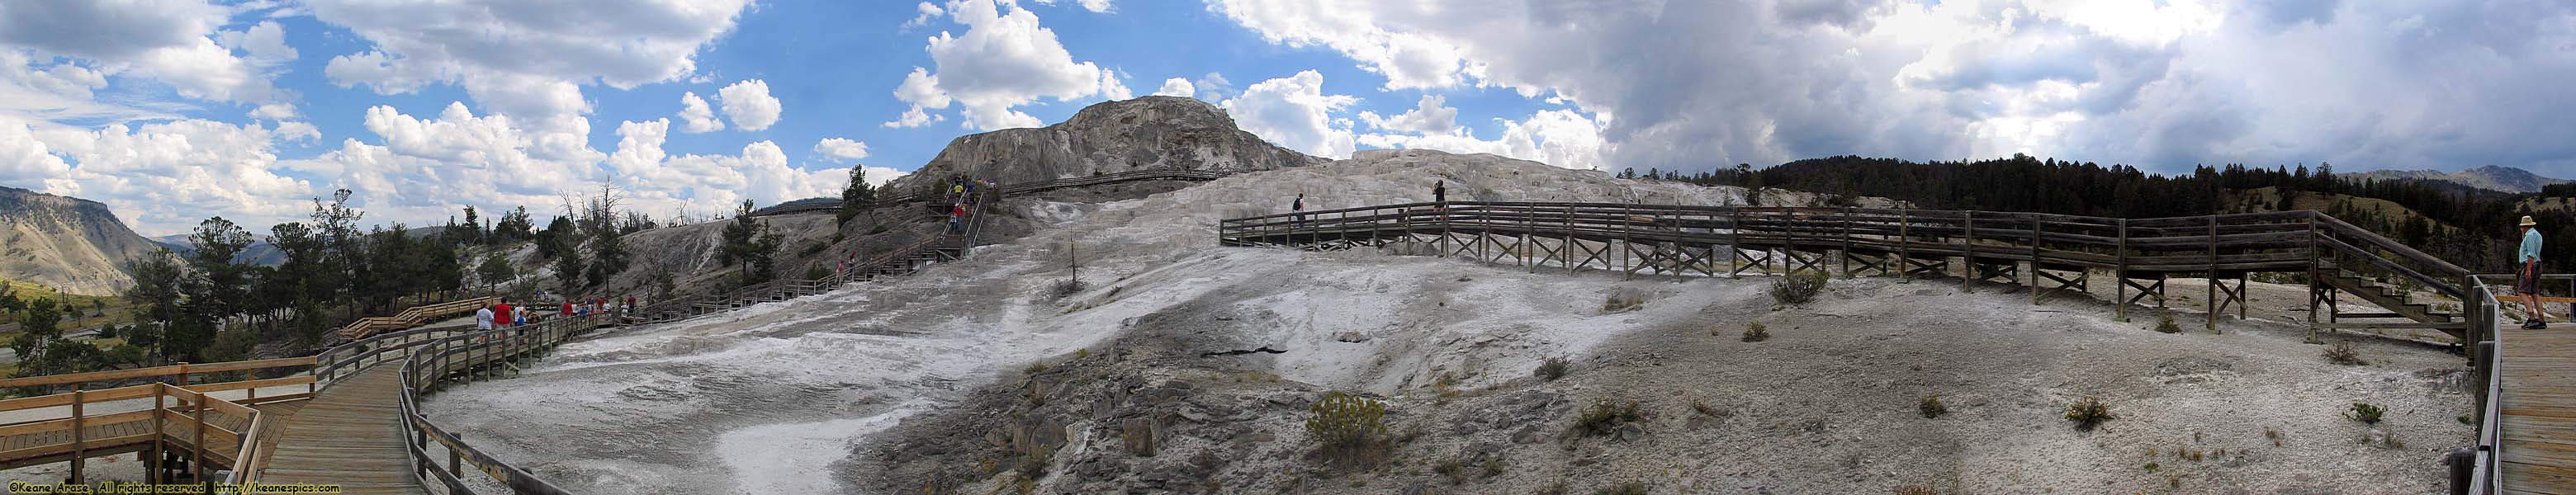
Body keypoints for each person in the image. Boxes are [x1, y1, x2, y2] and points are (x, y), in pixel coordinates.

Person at [2522, 215, 2549, 328]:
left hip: (2531, 265)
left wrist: (2528, 270)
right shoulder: (2537, 234)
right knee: (2535, 293)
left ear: (2525, 227)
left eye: (2522, 227)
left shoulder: (2530, 236)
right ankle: (2541, 320)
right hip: (2537, 265)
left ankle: (2532, 318)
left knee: (2523, 292)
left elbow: (2531, 254)